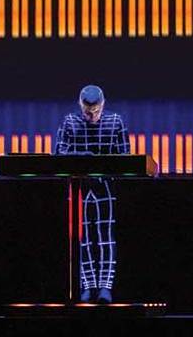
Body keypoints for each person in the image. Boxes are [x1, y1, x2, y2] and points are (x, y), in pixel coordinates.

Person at [55, 85, 129, 304]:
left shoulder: (115, 121)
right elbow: (59, 155)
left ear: (103, 105)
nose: (92, 115)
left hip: (106, 186)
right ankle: (88, 286)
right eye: (88, 111)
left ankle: (105, 287)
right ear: (80, 105)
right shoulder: (69, 122)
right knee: (83, 239)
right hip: (79, 187)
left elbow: (124, 156)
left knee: (106, 239)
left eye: (95, 111)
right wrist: (83, 157)